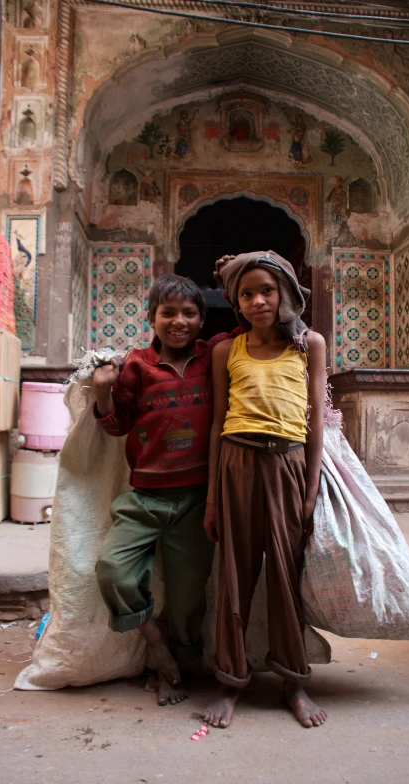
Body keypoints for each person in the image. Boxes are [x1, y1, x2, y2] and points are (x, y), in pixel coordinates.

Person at [92, 274, 234, 707]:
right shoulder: (136, 365)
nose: (178, 321)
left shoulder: (215, 356)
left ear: (203, 319)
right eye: (167, 312)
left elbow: (263, 314)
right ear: (151, 317)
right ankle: (153, 641)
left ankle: (174, 663)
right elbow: (117, 427)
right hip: (145, 496)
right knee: (112, 568)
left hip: (197, 500)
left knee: (189, 594)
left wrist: (233, 274)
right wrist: (102, 394)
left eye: (189, 313)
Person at [201, 251, 328, 729]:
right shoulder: (224, 351)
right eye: (247, 293)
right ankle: (231, 683)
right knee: (234, 577)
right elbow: (217, 423)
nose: (258, 301)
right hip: (235, 464)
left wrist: (311, 488)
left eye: (267, 291)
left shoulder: (308, 345)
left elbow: (315, 421)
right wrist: (213, 496)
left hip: (288, 467)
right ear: (236, 301)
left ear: (287, 295)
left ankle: (294, 682)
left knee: (285, 577)